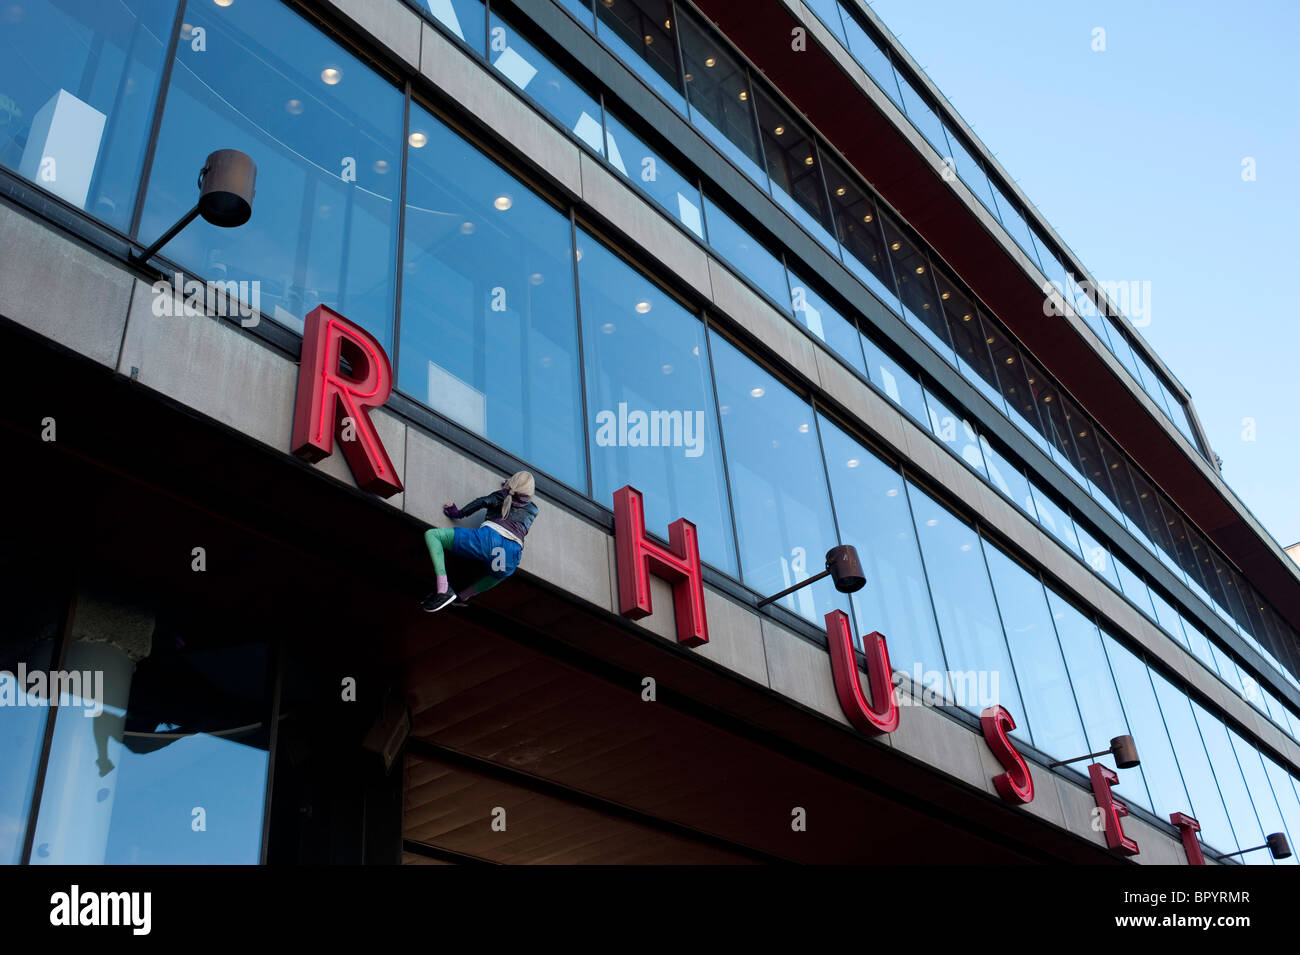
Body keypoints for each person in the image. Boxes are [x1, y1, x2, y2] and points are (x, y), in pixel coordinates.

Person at [421, 470, 538, 613]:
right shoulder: (534, 510)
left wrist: (457, 513)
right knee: (499, 574)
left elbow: (481, 502)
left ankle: (443, 588)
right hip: (512, 553)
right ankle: (464, 596)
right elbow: (519, 502)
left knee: (433, 535)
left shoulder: (499, 496)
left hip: (488, 539)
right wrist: (509, 489)